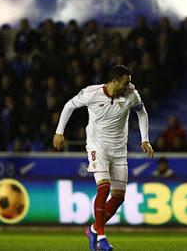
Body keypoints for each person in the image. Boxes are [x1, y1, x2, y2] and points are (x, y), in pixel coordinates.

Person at [53, 65, 154, 251]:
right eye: (125, 82)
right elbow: (69, 106)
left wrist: (145, 139)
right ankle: (101, 237)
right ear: (114, 81)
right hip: (97, 146)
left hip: (119, 151)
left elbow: (142, 112)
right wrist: (59, 132)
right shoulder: (92, 93)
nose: (129, 85)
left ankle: (93, 229)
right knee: (104, 187)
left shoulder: (132, 94)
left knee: (118, 198)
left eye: (129, 82)